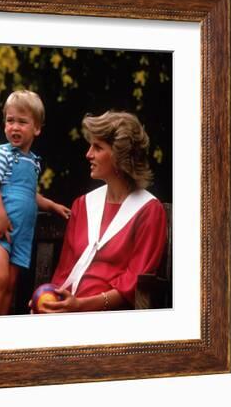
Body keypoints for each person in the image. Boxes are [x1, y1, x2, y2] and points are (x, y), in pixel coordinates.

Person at [34, 110, 167, 313]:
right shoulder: (82, 204)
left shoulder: (148, 210)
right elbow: (63, 274)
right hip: (68, 312)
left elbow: (133, 285)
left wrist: (80, 306)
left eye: (98, 147)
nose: (88, 154)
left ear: (120, 156)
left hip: (112, 320)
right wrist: (47, 301)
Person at [0, 90, 71, 316]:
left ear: (36, 128)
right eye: (10, 121)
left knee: (10, 283)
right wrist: (0, 217)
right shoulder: (2, 153)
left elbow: (30, 194)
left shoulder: (33, 162)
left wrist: (51, 206)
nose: (15, 127)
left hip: (22, 232)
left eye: (22, 122)